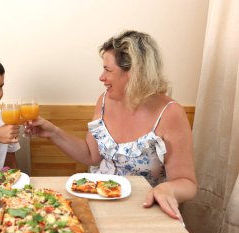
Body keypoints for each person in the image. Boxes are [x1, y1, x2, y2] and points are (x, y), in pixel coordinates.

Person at [27, 31, 196, 222]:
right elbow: (91, 155)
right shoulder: (105, 100)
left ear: (135, 72)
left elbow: (187, 183)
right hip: (98, 202)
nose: (101, 77)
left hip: (144, 210)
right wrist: (52, 132)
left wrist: (167, 188)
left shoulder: (170, 113)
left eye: (108, 70)